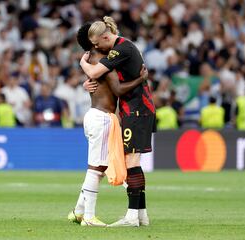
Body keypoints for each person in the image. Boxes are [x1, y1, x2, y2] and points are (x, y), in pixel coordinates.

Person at [68, 23, 148, 227]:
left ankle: (78, 211)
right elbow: (118, 90)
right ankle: (89, 217)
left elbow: (95, 80)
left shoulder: (91, 60)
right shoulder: (102, 62)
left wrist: (83, 70)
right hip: (102, 117)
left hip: (95, 115)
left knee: (101, 167)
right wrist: (141, 79)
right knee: (97, 168)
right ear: (94, 43)